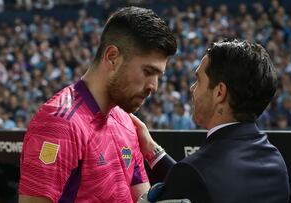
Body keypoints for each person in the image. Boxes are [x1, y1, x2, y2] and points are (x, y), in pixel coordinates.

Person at [18, 6, 177, 203]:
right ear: (112, 57)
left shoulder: (126, 122)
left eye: (158, 76)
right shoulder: (59, 123)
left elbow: (142, 198)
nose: (154, 86)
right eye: (148, 72)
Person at [132, 39, 290, 203]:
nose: (192, 88)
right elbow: (211, 185)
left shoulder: (195, 172)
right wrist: (153, 151)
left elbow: (199, 180)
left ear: (219, 93)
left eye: (199, 80)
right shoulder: (275, 162)